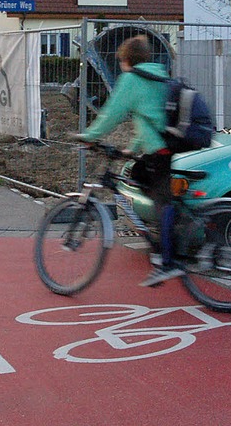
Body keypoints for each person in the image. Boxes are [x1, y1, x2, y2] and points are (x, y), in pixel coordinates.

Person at [74, 35, 182, 287]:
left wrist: (89, 136)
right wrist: (130, 149)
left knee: (161, 200)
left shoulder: (132, 79)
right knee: (141, 180)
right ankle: (162, 243)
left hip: (159, 151)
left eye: (121, 60)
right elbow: (148, 117)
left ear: (126, 60)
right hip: (163, 146)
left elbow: (112, 113)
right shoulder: (158, 75)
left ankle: (168, 259)